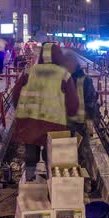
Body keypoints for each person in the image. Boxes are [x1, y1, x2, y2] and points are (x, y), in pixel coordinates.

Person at [12, 42, 79, 179]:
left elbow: (16, 94)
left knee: (31, 156)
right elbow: (73, 103)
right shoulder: (64, 75)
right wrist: (70, 115)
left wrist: (21, 112)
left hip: (29, 122)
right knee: (52, 158)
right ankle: (52, 187)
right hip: (54, 124)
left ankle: (29, 181)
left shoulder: (29, 72)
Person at [63, 50, 99, 138]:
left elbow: (91, 101)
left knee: (80, 149)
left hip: (79, 124)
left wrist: (90, 119)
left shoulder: (84, 80)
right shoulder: (62, 78)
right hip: (66, 123)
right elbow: (92, 100)